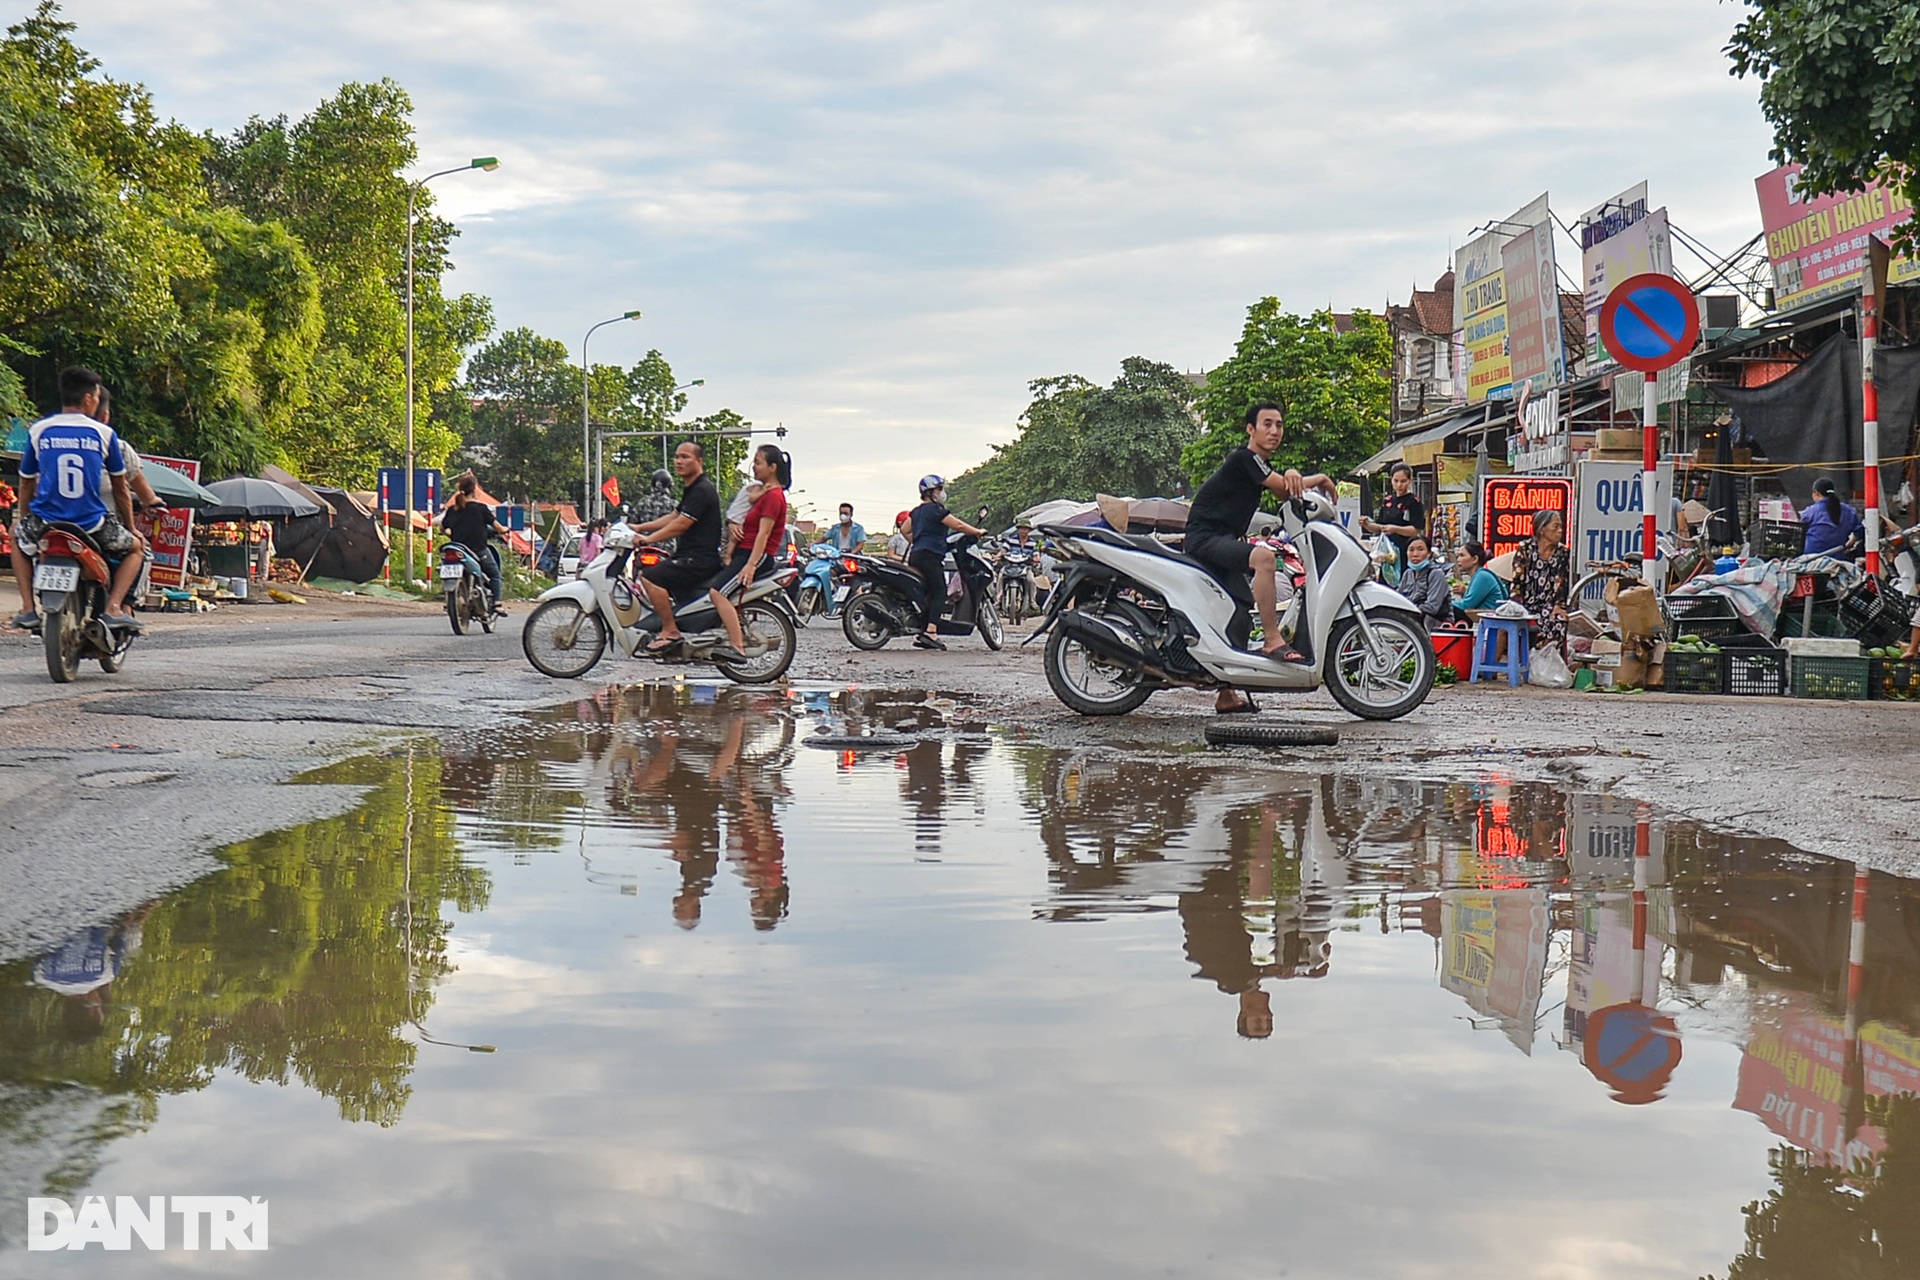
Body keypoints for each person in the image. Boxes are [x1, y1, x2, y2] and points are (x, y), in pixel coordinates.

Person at [1184, 402, 1335, 709]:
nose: (1274, 431)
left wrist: (1293, 474)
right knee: (1264, 558)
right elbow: (1281, 484)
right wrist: (1317, 478)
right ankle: (1272, 640)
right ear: (1251, 430)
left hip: (1221, 539)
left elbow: (1283, 490)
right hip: (1205, 538)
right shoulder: (1244, 458)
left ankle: (1226, 695)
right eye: (1267, 424)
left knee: (1240, 610)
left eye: (1279, 425)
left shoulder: (1257, 465)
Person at [12, 367, 144, 630]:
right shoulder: (104, 434)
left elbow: (26, 483)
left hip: (46, 522)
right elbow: (120, 489)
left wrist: (22, 518)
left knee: (17, 539)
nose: (96, 402)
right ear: (87, 399)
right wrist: (131, 529)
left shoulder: (39, 430)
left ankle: (27, 608)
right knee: (136, 549)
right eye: (96, 397)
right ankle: (114, 608)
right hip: (91, 523)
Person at [634, 440, 722, 653]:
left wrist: (648, 539)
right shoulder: (692, 488)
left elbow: (681, 524)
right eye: (677, 457)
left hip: (698, 559)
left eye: (685, 457)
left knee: (649, 577)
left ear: (699, 461)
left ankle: (670, 630)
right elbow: (674, 516)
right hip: (688, 554)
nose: (679, 461)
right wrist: (638, 527)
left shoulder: (702, 489)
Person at [709, 445, 792, 662]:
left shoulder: (774, 497)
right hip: (744, 552)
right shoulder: (763, 493)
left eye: (757, 462)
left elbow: (763, 535)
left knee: (717, 593)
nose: (753, 467)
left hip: (756, 555)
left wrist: (751, 565)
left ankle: (737, 646)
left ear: (772, 467)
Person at [908, 475, 986, 650]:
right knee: (940, 591)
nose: (942, 493)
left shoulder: (916, 511)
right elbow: (957, 525)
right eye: (939, 489)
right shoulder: (936, 510)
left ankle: (924, 627)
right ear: (930, 492)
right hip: (930, 556)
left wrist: (919, 540)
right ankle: (931, 631)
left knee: (927, 592)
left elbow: (905, 529)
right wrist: (977, 531)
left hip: (916, 555)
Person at [442, 473, 511, 614]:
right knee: (495, 575)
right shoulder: (481, 509)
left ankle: (449, 598)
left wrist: (451, 531)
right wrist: (504, 530)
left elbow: (444, 528)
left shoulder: (452, 510)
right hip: (477, 550)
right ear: (474, 490)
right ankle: (497, 603)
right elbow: (498, 527)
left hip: (457, 549)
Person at [1511, 509, 1572, 652]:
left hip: (1548, 604)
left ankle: (1545, 659)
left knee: (1558, 621)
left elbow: (1561, 582)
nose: (1560, 531)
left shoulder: (1562, 553)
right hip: (1526, 603)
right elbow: (1517, 581)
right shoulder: (1525, 549)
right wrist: (1517, 606)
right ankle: (1531, 657)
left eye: (1561, 527)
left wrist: (1558, 605)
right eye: (1555, 527)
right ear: (1542, 529)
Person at [1360, 462, 1426, 574]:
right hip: (1387, 551)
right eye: (1396, 481)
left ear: (1410, 481)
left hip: (1405, 550)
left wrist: (1396, 529)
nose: (1399, 485)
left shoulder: (1414, 502)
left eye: (1403, 481)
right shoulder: (1388, 500)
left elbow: (1416, 530)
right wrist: (1367, 524)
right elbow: (1380, 527)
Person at [1395, 535, 1451, 629]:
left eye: (1420, 550)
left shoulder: (1436, 574)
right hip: (1412, 623)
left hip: (1436, 626)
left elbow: (1432, 607)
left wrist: (1408, 609)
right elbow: (1398, 598)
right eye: (1411, 550)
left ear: (1429, 553)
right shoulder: (1408, 574)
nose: (1415, 554)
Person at [1801, 478, 1864, 558]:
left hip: (1812, 561)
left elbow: (1800, 532)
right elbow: (1860, 530)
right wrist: (1848, 544)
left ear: (1816, 493)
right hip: (1839, 560)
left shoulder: (1809, 512)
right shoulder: (1849, 511)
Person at [1452, 540, 1507, 619]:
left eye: (1462, 555)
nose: (1458, 560)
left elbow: (1466, 606)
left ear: (1475, 559)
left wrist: (1443, 603)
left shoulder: (1482, 576)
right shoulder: (1479, 575)